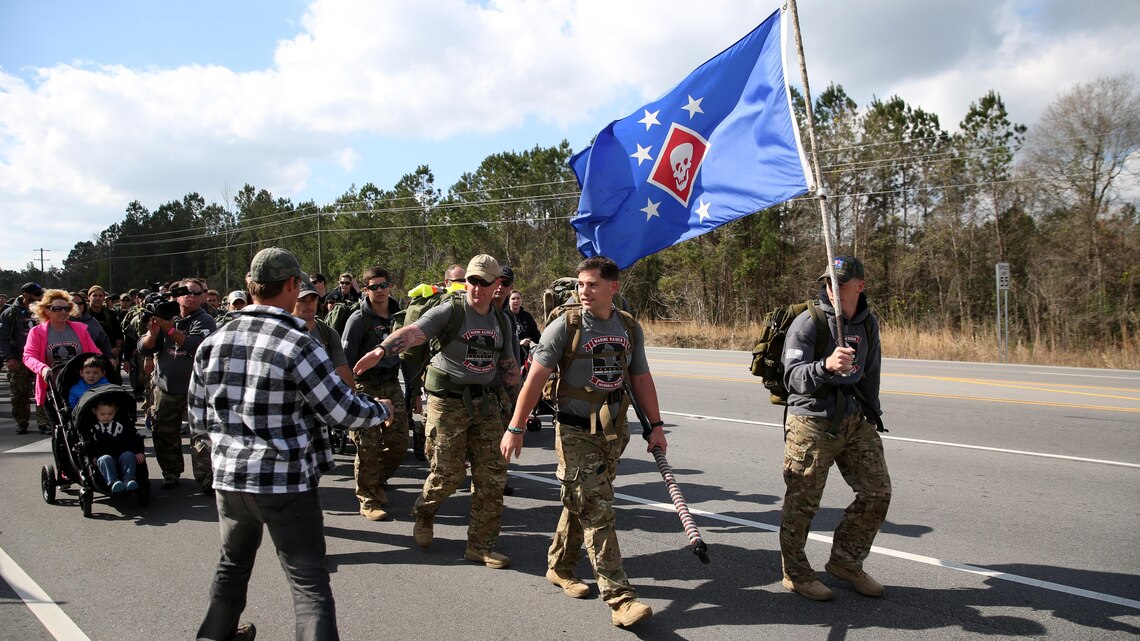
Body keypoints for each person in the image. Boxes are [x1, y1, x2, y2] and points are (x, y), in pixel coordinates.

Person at [190, 247, 394, 641]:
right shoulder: (298, 342)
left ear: (251, 287)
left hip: (230, 481)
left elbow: (198, 420)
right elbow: (339, 411)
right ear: (291, 286)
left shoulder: (213, 342)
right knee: (308, 583)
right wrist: (380, 410)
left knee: (232, 567)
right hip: (285, 483)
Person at [500, 255, 665, 628]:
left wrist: (655, 425)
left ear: (613, 287)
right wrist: (516, 427)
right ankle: (620, 598)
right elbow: (535, 379)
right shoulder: (565, 325)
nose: (584, 291)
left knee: (582, 501)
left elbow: (640, 378)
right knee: (598, 508)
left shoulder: (628, 327)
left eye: (592, 284)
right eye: (580, 284)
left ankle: (559, 566)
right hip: (574, 431)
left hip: (613, 431)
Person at [354, 254, 519, 569]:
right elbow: (414, 332)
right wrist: (380, 350)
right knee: (448, 473)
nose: (477, 287)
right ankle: (425, 511)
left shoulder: (502, 321)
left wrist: (516, 416)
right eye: (472, 280)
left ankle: (480, 545)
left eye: (485, 282)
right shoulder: (451, 311)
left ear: (497, 285)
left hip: (485, 404)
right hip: (448, 403)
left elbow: (509, 367)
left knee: (492, 476)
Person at [778, 255, 889, 601]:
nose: (833, 289)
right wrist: (825, 366)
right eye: (828, 283)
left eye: (840, 283)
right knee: (803, 502)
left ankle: (846, 561)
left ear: (860, 285)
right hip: (811, 418)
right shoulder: (808, 322)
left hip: (853, 417)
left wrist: (873, 413)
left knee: (877, 492)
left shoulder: (867, 323)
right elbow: (792, 379)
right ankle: (795, 573)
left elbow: (870, 373)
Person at [341, 266, 409, 522]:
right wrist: (350, 396)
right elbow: (345, 362)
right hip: (364, 386)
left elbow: (408, 351)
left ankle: (377, 481)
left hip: (392, 384)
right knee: (368, 444)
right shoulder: (357, 320)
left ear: (390, 286)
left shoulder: (399, 316)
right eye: (373, 287)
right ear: (366, 290)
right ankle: (367, 498)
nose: (379, 291)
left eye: (383, 285)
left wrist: (412, 392)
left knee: (400, 441)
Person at [138, 278, 217, 490]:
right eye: (185, 292)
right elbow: (144, 348)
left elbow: (196, 346)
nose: (190, 295)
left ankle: (206, 477)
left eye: (196, 292)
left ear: (202, 297)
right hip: (166, 387)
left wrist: (170, 331)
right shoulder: (165, 315)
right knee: (163, 432)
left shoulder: (205, 320)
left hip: (197, 390)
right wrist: (153, 335)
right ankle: (171, 473)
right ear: (176, 296)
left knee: (202, 436)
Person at [22, 289, 100, 432]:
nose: (63, 312)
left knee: (84, 427)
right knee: (60, 431)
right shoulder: (37, 332)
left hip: (81, 385)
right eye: (57, 308)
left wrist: (100, 363)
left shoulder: (80, 329)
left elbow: (95, 352)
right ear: (47, 310)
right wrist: (43, 368)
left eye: (67, 308)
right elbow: (28, 356)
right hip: (52, 388)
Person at [1, 282, 47, 434]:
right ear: (26, 295)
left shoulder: (43, 310)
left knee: (43, 391)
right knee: (19, 393)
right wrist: (8, 358)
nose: (39, 298)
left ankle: (43, 422)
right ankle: (21, 422)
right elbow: (3, 338)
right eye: (36, 295)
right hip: (18, 359)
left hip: (40, 359)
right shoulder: (10, 313)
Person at [88, 399, 146, 494]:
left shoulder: (123, 423)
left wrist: (137, 451)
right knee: (105, 459)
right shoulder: (91, 427)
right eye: (102, 414)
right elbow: (89, 444)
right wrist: (92, 456)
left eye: (110, 414)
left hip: (121, 451)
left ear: (115, 411)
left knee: (128, 455)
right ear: (95, 411)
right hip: (102, 454)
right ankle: (114, 482)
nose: (106, 417)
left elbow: (133, 437)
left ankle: (129, 480)